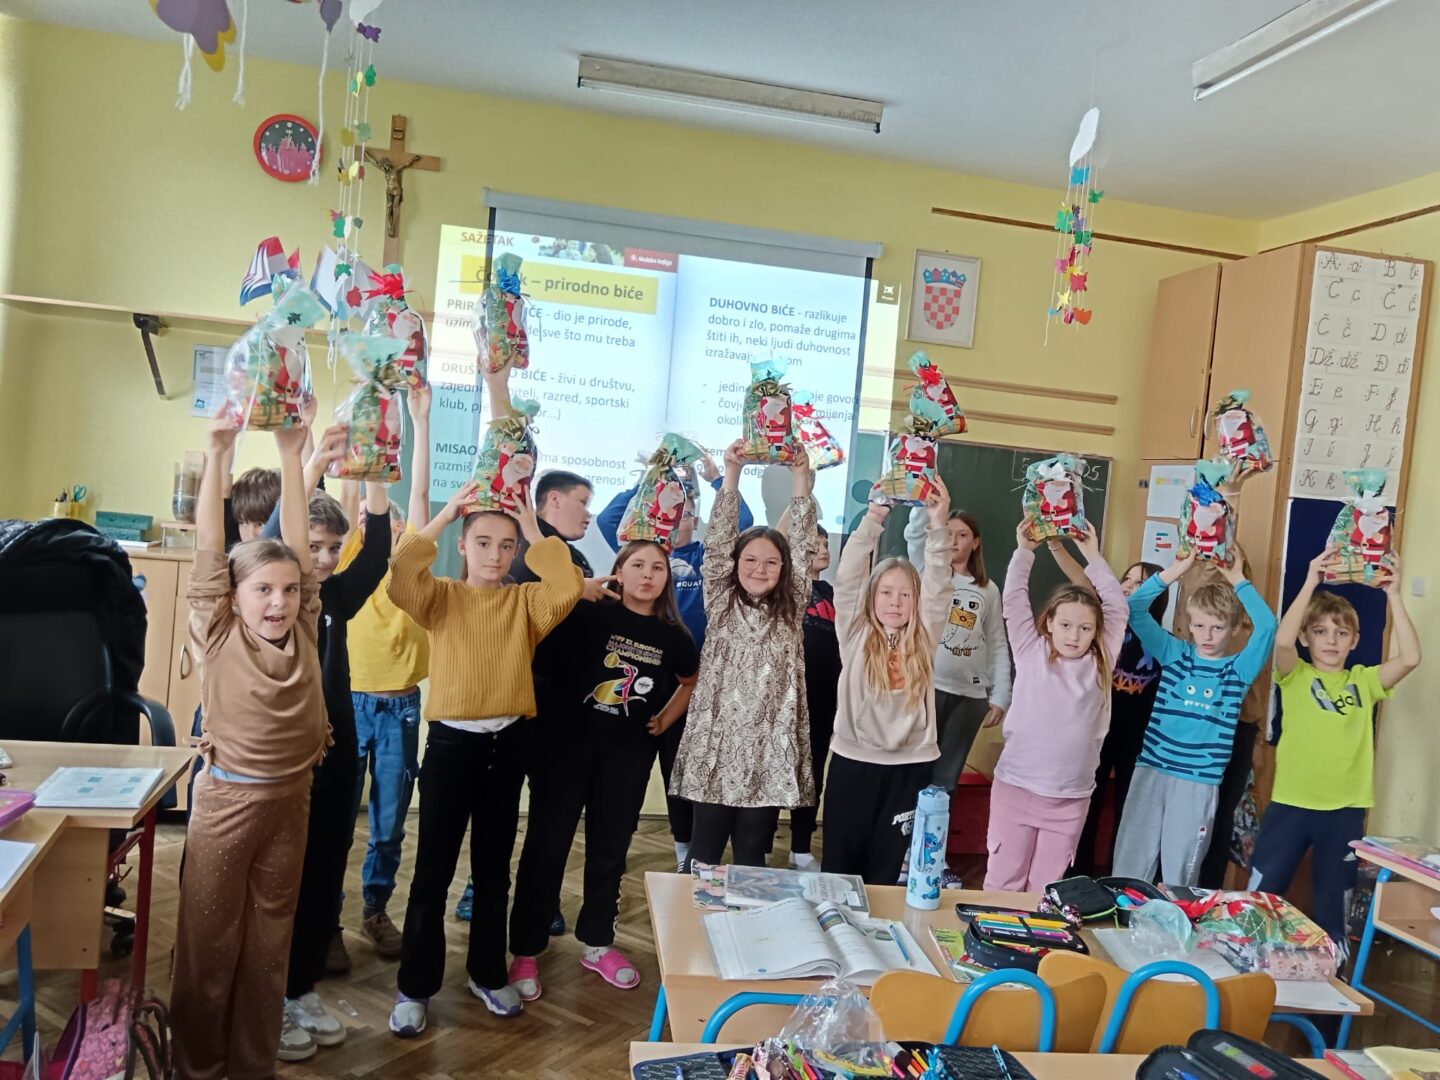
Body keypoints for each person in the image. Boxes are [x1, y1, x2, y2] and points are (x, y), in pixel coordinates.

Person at [386, 479, 582, 1036]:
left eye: (506, 545)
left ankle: (487, 973)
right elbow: (401, 573)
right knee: (432, 872)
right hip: (452, 747)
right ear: (463, 546)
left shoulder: (526, 603)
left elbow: (567, 584)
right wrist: (447, 512)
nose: (495, 555)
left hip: (508, 745)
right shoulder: (440, 597)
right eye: (483, 543)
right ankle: (415, 987)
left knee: (494, 872)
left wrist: (532, 527)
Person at [171, 412, 327, 1079]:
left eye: (289, 590)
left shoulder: (307, 624)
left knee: (269, 947)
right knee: (209, 947)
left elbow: (296, 547)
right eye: (263, 590)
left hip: (291, 801)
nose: (279, 602)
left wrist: (294, 456)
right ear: (233, 598)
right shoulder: (218, 629)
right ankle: (196, 1067)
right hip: (227, 804)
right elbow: (211, 547)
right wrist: (219, 453)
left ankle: (251, 1065)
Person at [508, 539, 699, 997]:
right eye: (638, 565)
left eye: (658, 568)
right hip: (564, 749)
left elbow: (690, 680)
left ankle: (597, 944)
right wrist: (577, 588)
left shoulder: (674, 636)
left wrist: (664, 719)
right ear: (618, 571)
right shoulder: (585, 614)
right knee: (546, 847)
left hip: (627, 758)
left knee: (610, 852)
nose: (648, 575)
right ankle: (526, 950)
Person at [278, 442, 395, 1059]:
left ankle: (300, 989)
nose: (323, 559)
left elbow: (375, 554)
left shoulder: (336, 601)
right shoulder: (275, 599)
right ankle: (268, 997)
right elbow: (277, 533)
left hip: (334, 758)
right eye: (314, 546)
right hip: (281, 763)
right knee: (280, 881)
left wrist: (376, 467)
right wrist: (312, 462)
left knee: (324, 878)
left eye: (332, 548)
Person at [1248, 545, 1420, 949]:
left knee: (1333, 904)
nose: (1331, 640)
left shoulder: (1364, 681)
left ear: (1354, 640)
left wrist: (1394, 595)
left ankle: (1335, 973)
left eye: (1341, 633)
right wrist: (1311, 580)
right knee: (1263, 894)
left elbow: (1411, 658)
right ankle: (1244, 959)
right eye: (1321, 631)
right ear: (1306, 637)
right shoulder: (1296, 675)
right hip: (1291, 803)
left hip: (1345, 810)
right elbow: (1283, 641)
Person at [597, 452, 755, 871]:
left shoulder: (706, 556)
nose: (676, 520)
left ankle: (684, 846)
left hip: (688, 676)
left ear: (695, 521)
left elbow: (743, 522)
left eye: (684, 514)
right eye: (670, 512)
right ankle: (613, 843)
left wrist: (717, 478)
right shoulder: (644, 555)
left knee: (678, 768)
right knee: (625, 770)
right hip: (638, 669)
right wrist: (652, 476)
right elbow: (608, 520)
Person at [669, 440, 816, 869]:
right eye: (750, 560)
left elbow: (802, 545)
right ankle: (693, 913)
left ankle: (746, 916)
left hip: (768, 748)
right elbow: (718, 541)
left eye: (771, 562)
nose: (759, 569)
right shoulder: (721, 599)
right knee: (704, 852)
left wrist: (800, 477)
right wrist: (730, 473)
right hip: (717, 743)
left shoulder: (791, 607)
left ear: (784, 569)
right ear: (734, 564)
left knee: (753, 852)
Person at [334, 384, 433, 961]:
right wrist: (363, 408)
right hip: (349, 705)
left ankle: (375, 908)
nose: (380, 531)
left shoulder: (411, 569)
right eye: (369, 526)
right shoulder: (350, 559)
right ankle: (325, 919)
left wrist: (419, 418)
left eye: (391, 529)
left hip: (400, 709)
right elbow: (353, 492)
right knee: (337, 817)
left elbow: (417, 493)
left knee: (390, 823)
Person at [1112, 549, 1277, 886]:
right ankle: (1124, 912)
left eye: (1217, 627)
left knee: (1181, 871)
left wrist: (1237, 579)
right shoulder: (1173, 653)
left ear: (1234, 629)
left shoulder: (1237, 671)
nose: (1207, 635)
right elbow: (1134, 607)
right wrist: (1177, 569)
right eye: (1199, 625)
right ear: (1189, 624)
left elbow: (1267, 626)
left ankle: (1175, 917)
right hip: (1152, 770)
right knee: (1130, 862)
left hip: (1197, 781)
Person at [983, 522, 1127, 892]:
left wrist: (1092, 554)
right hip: (1016, 789)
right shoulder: (1030, 649)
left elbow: (1116, 606)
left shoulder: (1101, 660)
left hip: (1070, 799)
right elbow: (1014, 600)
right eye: (1065, 625)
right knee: (1004, 881)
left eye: (1085, 628)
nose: (1074, 635)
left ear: (1097, 632)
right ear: (1049, 623)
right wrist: (1024, 552)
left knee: (1047, 889)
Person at [822, 481, 952, 884]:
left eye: (905, 595)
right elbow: (848, 576)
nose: (895, 602)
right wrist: (875, 515)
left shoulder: (924, 636)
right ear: (872, 597)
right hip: (853, 762)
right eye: (886, 593)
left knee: (884, 870)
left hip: (908, 768)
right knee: (840, 868)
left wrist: (939, 523)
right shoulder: (855, 631)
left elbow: (939, 585)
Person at [1050, 551, 1167, 876]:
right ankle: (1077, 876)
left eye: (1140, 583)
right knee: (1086, 806)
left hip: (1140, 743)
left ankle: (1122, 879)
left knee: (1129, 813)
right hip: (1096, 735)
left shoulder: (1163, 642)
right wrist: (1057, 547)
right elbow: (1083, 581)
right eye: (1126, 579)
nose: (1128, 586)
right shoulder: (1105, 628)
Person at [904, 506, 1011, 795]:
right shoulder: (928, 572)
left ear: (975, 543)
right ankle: (904, 825)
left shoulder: (988, 589)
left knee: (945, 779)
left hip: (970, 697)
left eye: (962, 535)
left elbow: (997, 643)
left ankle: (935, 826)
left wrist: (1001, 695)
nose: (953, 541)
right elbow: (915, 536)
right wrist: (925, 505)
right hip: (927, 687)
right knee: (913, 769)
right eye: (948, 533)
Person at [790, 521, 840, 869]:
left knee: (812, 771)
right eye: (816, 544)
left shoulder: (831, 592)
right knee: (779, 767)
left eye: (826, 544)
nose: (823, 549)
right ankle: (761, 843)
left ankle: (800, 847)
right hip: (789, 698)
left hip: (824, 699)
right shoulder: (786, 589)